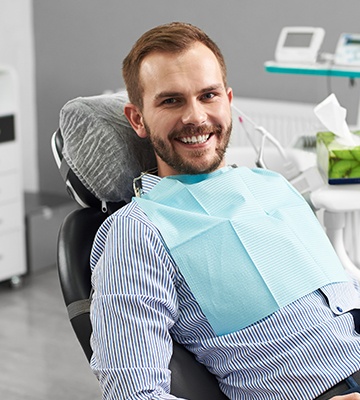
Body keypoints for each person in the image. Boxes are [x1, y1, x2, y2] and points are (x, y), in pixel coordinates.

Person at [89, 22, 360, 400]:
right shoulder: (137, 233)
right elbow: (134, 393)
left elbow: (339, 295)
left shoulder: (270, 185)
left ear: (228, 100)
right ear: (137, 119)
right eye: (171, 101)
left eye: (208, 95)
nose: (196, 117)